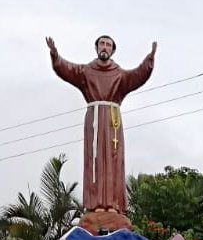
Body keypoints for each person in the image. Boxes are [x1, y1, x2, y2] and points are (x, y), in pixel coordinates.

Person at [46, 35, 157, 214]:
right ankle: (95, 204)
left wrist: (149, 59)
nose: (105, 47)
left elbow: (137, 75)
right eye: (102, 44)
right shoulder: (85, 72)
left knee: (114, 160)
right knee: (95, 160)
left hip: (113, 120)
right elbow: (66, 69)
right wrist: (55, 56)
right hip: (94, 119)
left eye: (108, 45)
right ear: (96, 48)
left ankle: (113, 205)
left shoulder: (120, 75)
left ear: (112, 50)